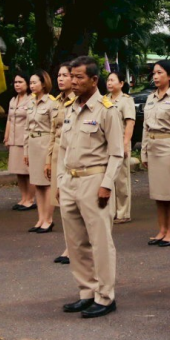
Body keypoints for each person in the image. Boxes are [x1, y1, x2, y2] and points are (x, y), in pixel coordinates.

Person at [57, 56, 124, 318]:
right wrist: (62, 181)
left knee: (100, 242)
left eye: (78, 77)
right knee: (75, 242)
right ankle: (86, 291)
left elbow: (117, 153)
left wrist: (107, 185)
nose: (73, 81)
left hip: (94, 181)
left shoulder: (106, 109)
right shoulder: (71, 107)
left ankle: (105, 296)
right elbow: (63, 149)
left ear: (94, 80)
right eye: (71, 76)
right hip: (71, 181)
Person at [141, 60, 170, 247]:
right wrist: (143, 152)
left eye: (160, 73)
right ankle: (162, 229)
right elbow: (145, 127)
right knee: (158, 193)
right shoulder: (150, 98)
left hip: (169, 147)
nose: (156, 76)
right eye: (154, 73)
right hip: (153, 148)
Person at [45, 63, 74, 264]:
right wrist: (48, 160)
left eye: (65, 75)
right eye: (59, 75)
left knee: (72, 204)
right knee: (62, 203)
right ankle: (69, 245)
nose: (60, 79)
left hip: (72, 156)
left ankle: (75, 247)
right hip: (57, 155)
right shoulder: (56, 102)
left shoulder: (78, 101)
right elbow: (52, 133)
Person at [24, 69, 58, 232]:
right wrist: (25, 151)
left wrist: (50, 153)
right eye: (30, 83)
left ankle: (49, 219)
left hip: (45, 143)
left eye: (34, 82)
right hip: (33, 144)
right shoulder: (30, 102)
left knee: (47, 183)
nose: (31, 86)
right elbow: (26, 128)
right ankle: (40, 218)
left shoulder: (51, 103)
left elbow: (54, 129)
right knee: (37, 183)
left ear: (43, 84)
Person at [106, 71, 137, 223]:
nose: (109, 83)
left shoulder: (126, 101)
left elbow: (130, 123)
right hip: (107, 145)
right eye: (108, 80)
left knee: (121, 180)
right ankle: (111, 211)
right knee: (108, 178)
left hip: (121, 143)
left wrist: (125, 144)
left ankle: (123, 212)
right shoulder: (104, 100)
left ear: (121, 83)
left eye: (112, 80)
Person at [5, 73, 36, 211]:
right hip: (14, 139)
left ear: (27, 84)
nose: (17, 84)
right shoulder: (13, 100)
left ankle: (30, 199)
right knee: (18, 171)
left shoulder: (32, 99)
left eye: (20, 82)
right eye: (15, 82)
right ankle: (23, 197)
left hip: (26, 140)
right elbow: (9, 120)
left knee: (28, 171)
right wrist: (6, 137)